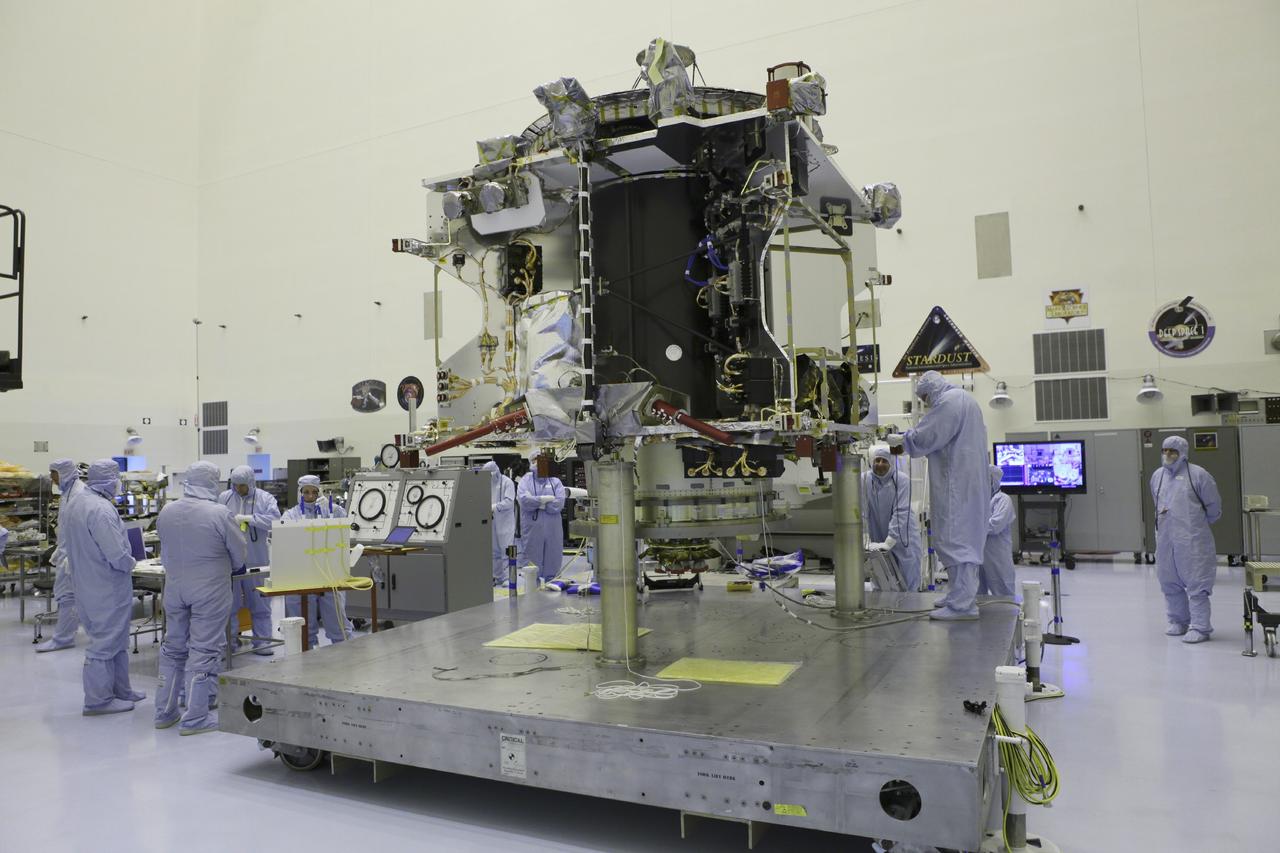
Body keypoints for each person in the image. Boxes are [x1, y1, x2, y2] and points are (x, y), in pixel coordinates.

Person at [886, 370, 989, 621]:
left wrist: (903, 439)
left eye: (924, 397)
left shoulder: (949, 402)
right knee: (958, 538)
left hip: (957, 485)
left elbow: (929, 434)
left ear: (931, 390)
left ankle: (963, 605)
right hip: (966, 482)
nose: (925, 402)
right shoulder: (965, 400)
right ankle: (957, 595)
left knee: (957, 539)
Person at [154, 461, 246, 734]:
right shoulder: (219, 513)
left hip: (174, 589)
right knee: (203, 651)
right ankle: (195, 717)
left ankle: (165, 712)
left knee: (172, 649)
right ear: (212, 482)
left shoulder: (167, 511)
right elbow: (239, 556)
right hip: (209, 590)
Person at [63, 460, 143, 715]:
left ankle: (121, 689)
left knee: (116, 640)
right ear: (109, 480)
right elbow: (115, 553)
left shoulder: (78, 503)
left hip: (89, 583)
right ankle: (98, 700)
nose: (119, 483)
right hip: (106, 585)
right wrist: (132, 563)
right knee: (105, 642)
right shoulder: (100, 509)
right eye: (117, 478)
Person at [1151, 435, 1222, 643]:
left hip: (1192, 540)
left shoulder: (1198, 475)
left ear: (1183, 453)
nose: (1168, 455)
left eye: (1172, 451)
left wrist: (1195, 526)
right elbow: (1157, 502)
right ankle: (1177, 621)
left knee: (1196, 582)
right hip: (1165, 538)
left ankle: (1200, 626)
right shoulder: (1158, 476)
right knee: (1169, 580)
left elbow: (1213, 506)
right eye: (1164, 450)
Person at [282, 475, 352, 646]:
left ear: (319, 491)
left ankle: (346, 653)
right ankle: (305, 656)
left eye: (314, 492)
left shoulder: (335, 510)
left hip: (330, 572)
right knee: (303, 621)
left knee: (336, 619)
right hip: (303, 573)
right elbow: (288, 541)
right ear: (300, 493)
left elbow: (345, 534)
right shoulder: (291, 514)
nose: (310, 496)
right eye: (306, 492)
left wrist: (328, 518)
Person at [218, 465, 280, 654]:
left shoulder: (264, 498)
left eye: (243, 485)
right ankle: (231, 642)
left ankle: (262, 643)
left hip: (257, 560)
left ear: (251, 482)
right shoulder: (224, 498)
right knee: (229, 605)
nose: (239, 489)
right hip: (231, 563)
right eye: (235, 485)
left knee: (259, 604)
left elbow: (275, 520)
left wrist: (249, 519)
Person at [36, 459, 86, 652]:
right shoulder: (67, 493)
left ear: (63, 472)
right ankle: (65, 636)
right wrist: (60, 549)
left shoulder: (79, 494)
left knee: (68, 596)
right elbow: (66, 528)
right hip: (68, 553)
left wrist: (71, 553)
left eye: (53, 473)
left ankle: (63, 638)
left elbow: (82, 528)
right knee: (68, 596)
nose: (51, 478)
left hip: (76, 556)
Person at [861, 445, 922, 591]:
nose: (880, 464)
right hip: (878, 536)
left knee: (906, 579)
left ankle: (909, 608)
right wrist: (865, 536)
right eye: (877, 460)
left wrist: (890, 541)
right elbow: (862, 509)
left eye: (884, 461)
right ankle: (882, 610)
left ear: (891, 463)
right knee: (881, 577)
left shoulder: (901, 480)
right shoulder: (865, 480)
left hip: (903, 538)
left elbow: (901, 511)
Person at [517, 452, 566, 581]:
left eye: (541, 460)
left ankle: (552, 581)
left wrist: (538, 503)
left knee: (553, 554)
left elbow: (559, 503)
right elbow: (524, 501)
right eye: (534, 460)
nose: (538, 463)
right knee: (532, 555)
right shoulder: (525, 481)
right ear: (530, 462)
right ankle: (533, 584)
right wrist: (544, 500)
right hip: (532, 528)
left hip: (552, 528)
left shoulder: (555, 482)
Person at [979, 465, 1017, 597]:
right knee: (977, 594)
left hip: (997, 556)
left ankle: (1008, 617)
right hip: (978, 555)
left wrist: (971, 528)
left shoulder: (1003, 499)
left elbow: (995, 525)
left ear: (993, 480)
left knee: (1003, 593)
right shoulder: (979, 500)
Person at [484, 460, 516, 585]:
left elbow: (509, 501)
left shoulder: (507, 482)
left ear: (496, 471)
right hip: (491, 521)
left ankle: (508, 577)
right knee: (494, 550)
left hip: (504, 521)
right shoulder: (485, 482)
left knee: (506, 550)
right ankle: (496, 576)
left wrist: (495, 507)